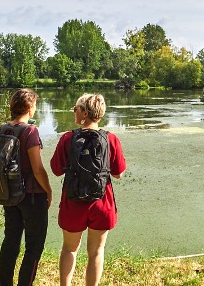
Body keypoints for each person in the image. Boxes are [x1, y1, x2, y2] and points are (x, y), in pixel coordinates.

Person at [51, 93, 127, 286]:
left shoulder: (68, 138)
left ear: (84, 113)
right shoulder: (111, 140)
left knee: (69, 249)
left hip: (72, 202)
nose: (74, 111)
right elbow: (118, 174)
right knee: (96, 252)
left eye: (76, 108)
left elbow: (56, 170)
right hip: (101, 202)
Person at [0, 88, 53, 286]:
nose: (35, 109)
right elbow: (37, 169)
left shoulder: (5, 129)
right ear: (29, 108)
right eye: (35, 105)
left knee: (10, 241)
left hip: (10, 194)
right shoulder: (30, 131)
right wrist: (48, 190)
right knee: (34, 247)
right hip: (31, 195)